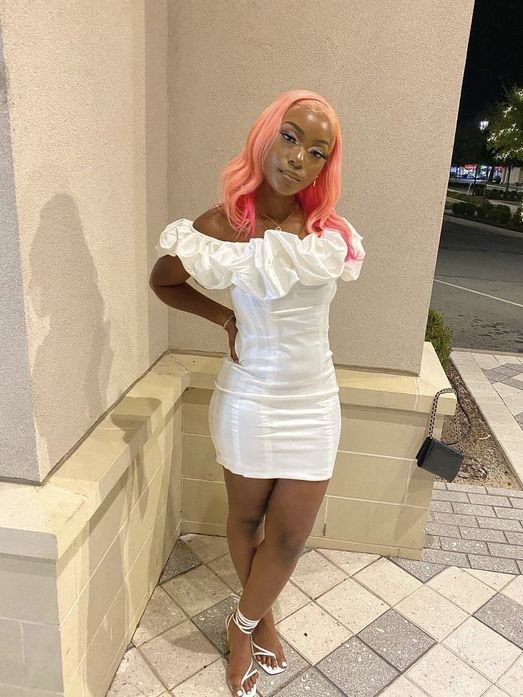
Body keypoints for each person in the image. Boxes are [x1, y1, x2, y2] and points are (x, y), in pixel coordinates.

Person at [150, 89, 365, 697]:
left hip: (314, 401)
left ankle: (240, 620)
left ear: (325, 167)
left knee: (290, 536)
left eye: (317, 151)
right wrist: (224, 319)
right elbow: (164, 280)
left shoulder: (329, 234)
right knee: (246, 519)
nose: (298, 157)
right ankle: (259, 621)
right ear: (266, 135)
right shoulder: (221, 226)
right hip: (248, 399)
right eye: (290, 137)